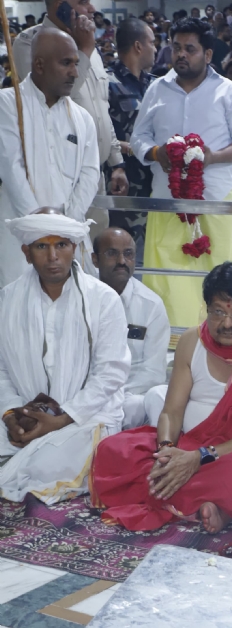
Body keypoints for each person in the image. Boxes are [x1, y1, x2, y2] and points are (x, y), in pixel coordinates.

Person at [91, 262, 232, 533]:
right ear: (207, 309)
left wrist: (200, 458)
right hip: (189, 444)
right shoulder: (192, 342)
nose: (227, 323)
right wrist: (166, 451)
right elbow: (171, 412)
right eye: (218, 312)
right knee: (113, 450)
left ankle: (216, 505)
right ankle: (213, 505)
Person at [131, 17, 232, 328]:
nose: (181, 55)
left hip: (213, 202)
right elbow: (138, 138)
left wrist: (214, 157)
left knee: (216, 278)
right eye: (176, 48)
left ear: (208, 54)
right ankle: (168, 342)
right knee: (165, 280)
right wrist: (156, 153)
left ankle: (217, 338)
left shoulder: (228, 92)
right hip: (166, 201)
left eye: (190, 49)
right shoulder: (157, 89)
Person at [0, 212, 130, 504]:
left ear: (75, 248)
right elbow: (1, 370)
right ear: (26, 253)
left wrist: (61, 419)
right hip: (22, 411)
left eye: (61, 245)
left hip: (85, 418)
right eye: (41, 247)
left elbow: (111, 373)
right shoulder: (7, 300)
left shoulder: (103, 299)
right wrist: (10, 415)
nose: (53, 256)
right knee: (26, 453)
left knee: (43, 466)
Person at [12, 0, 128, 241]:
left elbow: (100, 106)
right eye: (84, 1)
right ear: (59, 7)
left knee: (93, 253)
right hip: (56, 172)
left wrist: (115, 161)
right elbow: (53, 97)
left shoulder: (87, 42)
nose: (91, 8)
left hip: (93, 173)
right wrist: (84, 51)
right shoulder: (30, 43)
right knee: (58, 250)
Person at [0, 30, 99, 287]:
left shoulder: (82, 118)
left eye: (76, 64)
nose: (75, 72)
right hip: (20, 240)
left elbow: (90, 175)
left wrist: (65, 227)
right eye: (66, 63)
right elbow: (11, 169)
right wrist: (39, 230)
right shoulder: (8, 105)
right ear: (40, 65)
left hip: (69, 237)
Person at [92, 227, 170, 429]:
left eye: (128, 254)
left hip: (128, 395)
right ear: (94, 260)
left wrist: (113, 395)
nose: (121, 261)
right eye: (112, 253)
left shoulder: (151, 305)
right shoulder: (82, 299)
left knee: (139, 405)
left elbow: (153, 370)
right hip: (86, 392)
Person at [107, 17, 156, 263]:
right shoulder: (107, 83)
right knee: (120, 257)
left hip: (154, 183)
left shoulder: (155, 85)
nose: (156, 49)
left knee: (150, 257)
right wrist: (129, 150)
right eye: (152, 42)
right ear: (138, 46)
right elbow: (101, 132)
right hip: (123, 184)